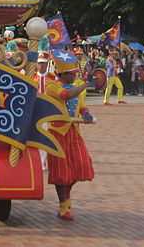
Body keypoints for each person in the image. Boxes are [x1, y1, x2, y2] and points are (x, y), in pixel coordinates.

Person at [44, 51, 94, 221]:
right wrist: (84, 85)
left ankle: (66, 198)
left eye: (75, 73)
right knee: (61, 172)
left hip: (74, 133)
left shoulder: (76, 85)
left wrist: (86, 113)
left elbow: (81, 106)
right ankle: (64, 206)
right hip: (57, 134)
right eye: (71, 73)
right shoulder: (51, 86)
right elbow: (66, 96)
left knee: (81, 165)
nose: (74, 76)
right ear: (62, 74)